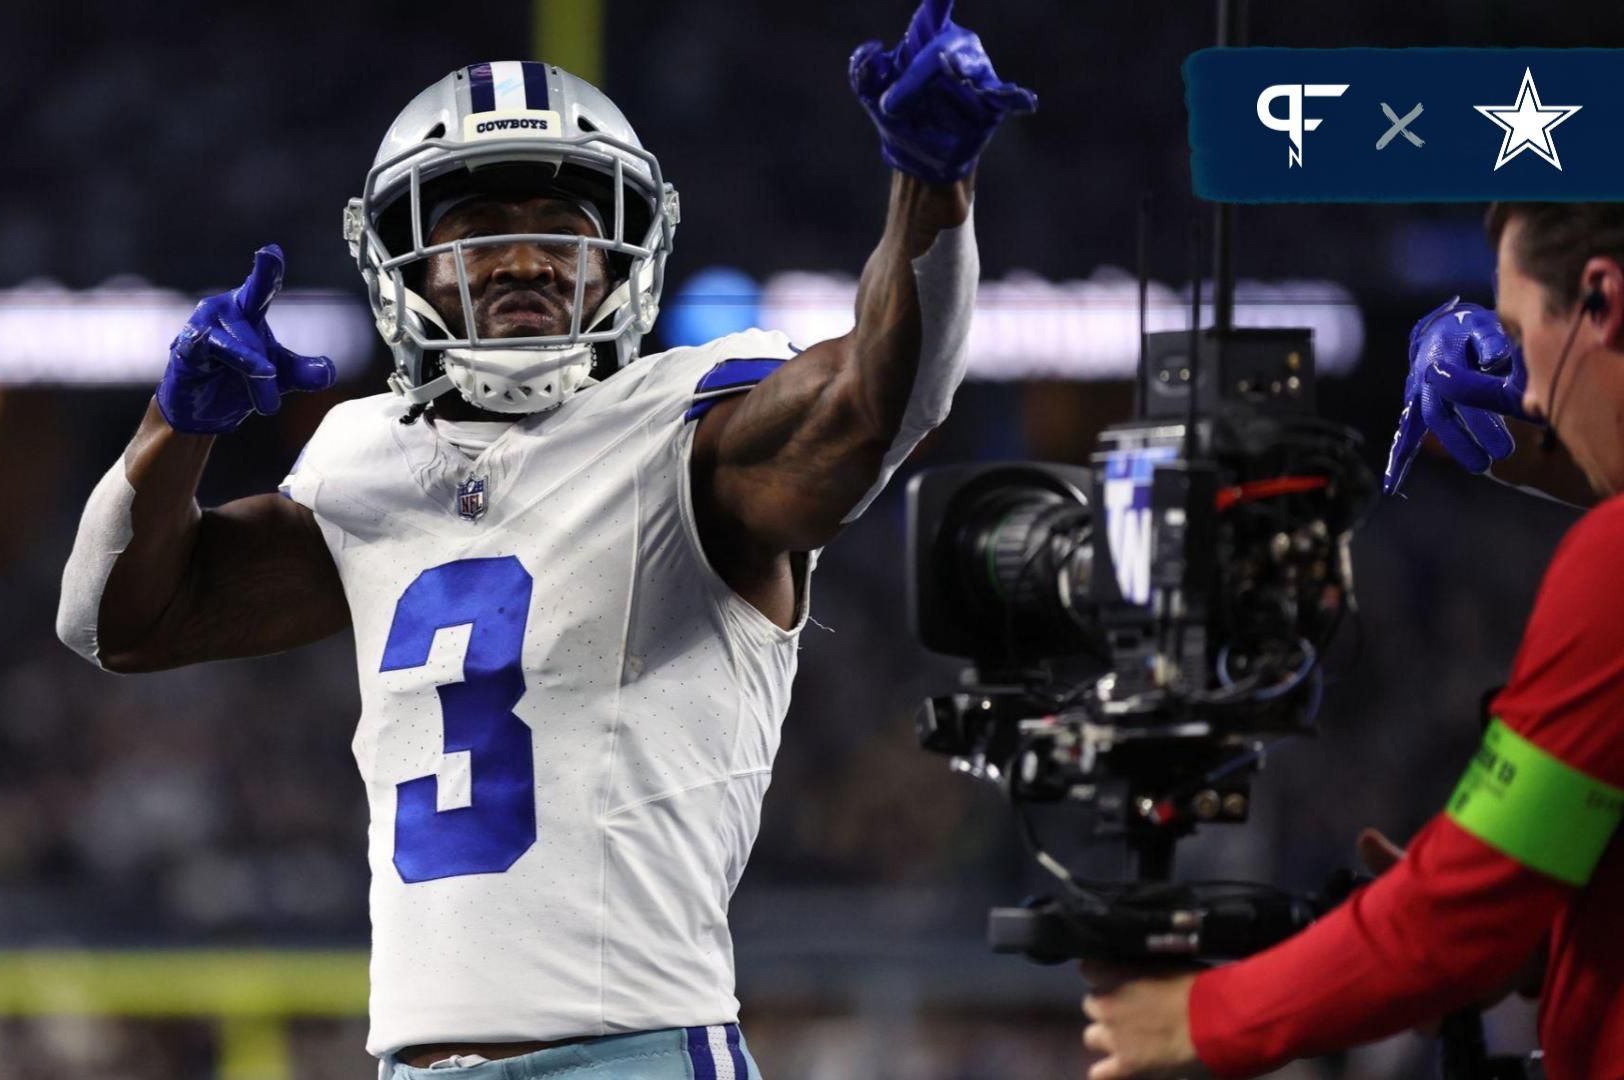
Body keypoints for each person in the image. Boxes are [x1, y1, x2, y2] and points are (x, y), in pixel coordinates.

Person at [55, 3, 1035, 1076]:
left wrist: (930, 186)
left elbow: (877, 406)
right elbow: (117, 623)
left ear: (622, 253)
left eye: (562, 225)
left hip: (638, 1055)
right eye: (477, 227)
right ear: (408, 263)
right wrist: (173, 429)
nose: (524, 256)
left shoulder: (688, 429)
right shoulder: (368, 459)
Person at [1080, 201, 1624, 1079]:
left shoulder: (1614, 564)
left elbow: (1454, 926)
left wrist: (1197, 1017)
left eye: (1523, 337)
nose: (1523, 395)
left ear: (1602, 300)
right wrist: (1541, 923)